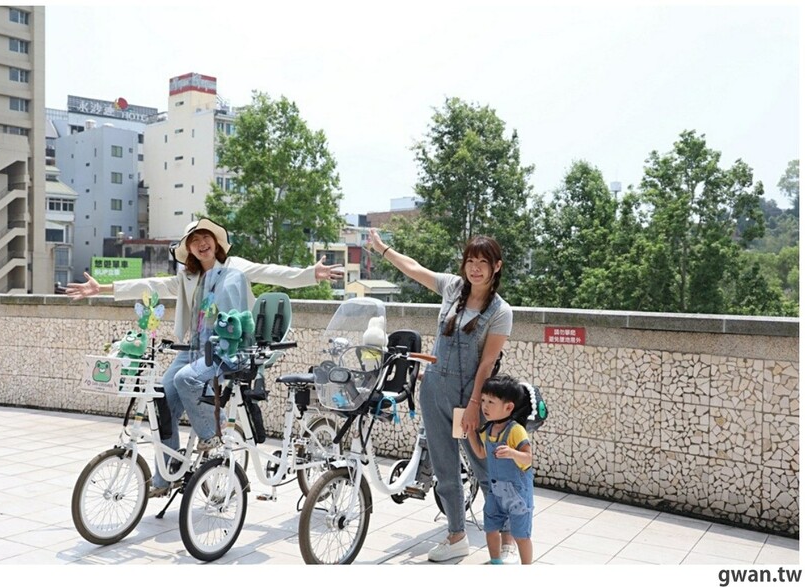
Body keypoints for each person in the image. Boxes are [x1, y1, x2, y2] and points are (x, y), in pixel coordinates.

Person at [67, 217, 344, 496]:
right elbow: (152, 285)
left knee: (187, 381)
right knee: (162, 401)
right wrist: (101, 288)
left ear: (216, 242)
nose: (201, 243)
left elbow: (272, 273)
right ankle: (167, 477)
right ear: (188, 249)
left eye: (206, 237)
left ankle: (215, 431)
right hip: (192, 351)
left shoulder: (235, 268)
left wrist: (311, 273)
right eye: (194, 240)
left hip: (227, 350)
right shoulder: (189, 278)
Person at [367, 227, 516, 563]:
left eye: (483, 262)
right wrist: (383, 249)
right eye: (470, 261)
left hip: (468, 396)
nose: (475, 268)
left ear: (497, 267)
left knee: (484, 466)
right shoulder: (452, 287)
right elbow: (415, 268)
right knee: (445, 470)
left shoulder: (501, 311)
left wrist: (476, 404)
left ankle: (507, 535)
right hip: (433, 388)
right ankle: (456, 535)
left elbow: (487, 364)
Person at [466, 374, 534, 564]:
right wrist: (470, 433)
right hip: (496, 492)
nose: (485, 407)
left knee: (521, 534)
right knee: (490, 528)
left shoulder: (515, 430)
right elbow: (481, 452)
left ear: (509, 407)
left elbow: (528, 458)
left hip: (518, 493)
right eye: (483, 401)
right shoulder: (489, 430)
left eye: (491, 402)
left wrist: (513, 453)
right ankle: (495, 562)